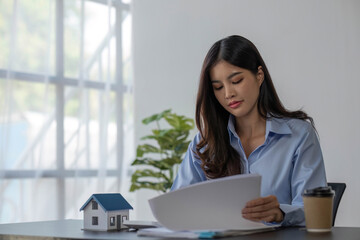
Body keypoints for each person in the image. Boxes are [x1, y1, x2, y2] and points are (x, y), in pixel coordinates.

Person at [171, 35, 327, 226]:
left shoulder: (299, 136)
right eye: (218, 87)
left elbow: (315, 212)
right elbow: (177, 207)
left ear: (259, 76)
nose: (228, 94)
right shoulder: (204, 143)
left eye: (236, 81)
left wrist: (280, 213)